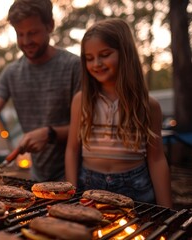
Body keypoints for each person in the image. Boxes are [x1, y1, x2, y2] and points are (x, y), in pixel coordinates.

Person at [0, 0, 81, 182]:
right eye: (20, 34)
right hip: (38, 178)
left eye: (32, 33)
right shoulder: (12, 73)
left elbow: (88, 128)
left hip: (77, 175)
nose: (26, 41)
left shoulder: (74, 67)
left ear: (50, 25)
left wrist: (50, 134)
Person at [65, 18, 172, 207]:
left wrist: (166, 208)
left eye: (104, 54)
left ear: (125, 53)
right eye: (89, 58)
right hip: (89, 184)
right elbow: (72, 149)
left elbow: (156, 158)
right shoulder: (81, 100)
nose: (96, 63)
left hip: (136, 186)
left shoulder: (148, 104)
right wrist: (71, 193)